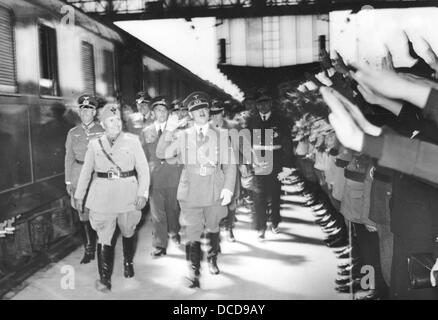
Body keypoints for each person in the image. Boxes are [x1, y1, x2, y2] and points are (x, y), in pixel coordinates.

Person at [156, 91, 236, 289]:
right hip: (190, 190)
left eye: (204, 108)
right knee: (192, 231)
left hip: (214, 190)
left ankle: (212, 257)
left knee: (213, 226)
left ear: (209, 112)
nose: (201, 112)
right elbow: (161, 153)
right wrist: (169, 131)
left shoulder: (221, 135)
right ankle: (194, 271)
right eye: (196, 109)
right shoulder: (183, 135)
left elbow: (230, 165)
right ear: (190, 114)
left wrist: (228, 188)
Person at [74, 103, 150, 292]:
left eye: (117, 120)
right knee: (104, 236)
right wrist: (79, 195)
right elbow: (85, 172)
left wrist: (143, 193)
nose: (116, 123)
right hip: (102, 197)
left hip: (128, 195)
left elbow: (143, 169)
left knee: (128, 230)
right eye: (111, 120)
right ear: (103, 123)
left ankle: (127, 262)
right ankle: (105, 279)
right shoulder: (94, 144)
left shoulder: (132, 141)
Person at [246, 89, 294, 240]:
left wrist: (287, 166)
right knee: (259, 195)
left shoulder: (281, 120)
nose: (263, 106)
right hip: (259, 163)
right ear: (257, 106)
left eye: (266, 103)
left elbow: (287, 144)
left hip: (276, 163)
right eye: (260, 103)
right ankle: (261, 226)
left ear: (271, 104)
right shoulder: (251, 121)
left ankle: (275, 222)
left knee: (275, 194)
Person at [141, 96, 183, 257]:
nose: (162, 113)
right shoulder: (146, 132)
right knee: (157, 213)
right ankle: (160, 244)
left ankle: (174, 231)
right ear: (153, 113)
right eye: (158, 110)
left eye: (165, 110)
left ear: (169, 113)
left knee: (173, 209)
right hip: (154, 178)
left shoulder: (177, 132)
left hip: (173, 176)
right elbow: (142, 157)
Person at [64, 94, 104, 264]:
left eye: (89, 110)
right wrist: (68, 181)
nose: (85, 113)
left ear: (94, 112)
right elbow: (68, 157)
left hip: (97, 176)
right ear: (79, 112)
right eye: (82, 110)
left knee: (100, 212)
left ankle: (103, 245)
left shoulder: (102, 131)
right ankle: (89, 249)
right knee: (83, 214)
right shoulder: (73, 133)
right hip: (79, 176)